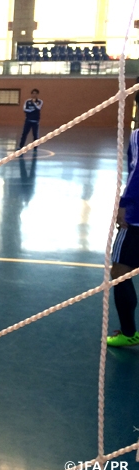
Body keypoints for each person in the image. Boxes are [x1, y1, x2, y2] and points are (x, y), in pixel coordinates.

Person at [107, 128, 139, 347]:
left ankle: (129, 332)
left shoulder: (137, 136)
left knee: (120, 271)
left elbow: (137, 170)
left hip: (136, 219)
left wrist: (123, 204)